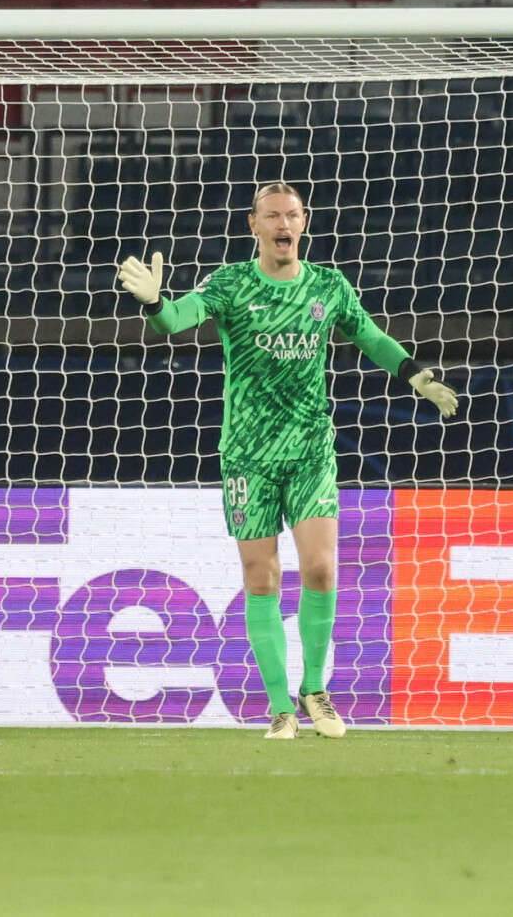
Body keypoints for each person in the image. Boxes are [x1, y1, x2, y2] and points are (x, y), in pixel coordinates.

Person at [116, 180, 461, 741]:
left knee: (322, 569)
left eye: (291, 215)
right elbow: (178, 320)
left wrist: (412, 372)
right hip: (247, 455)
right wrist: (156, 303)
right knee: (261, 578)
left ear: (304, 223)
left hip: (309, 450)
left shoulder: (327, 285)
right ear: (253, 225)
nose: (282, 224)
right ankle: (280, 708)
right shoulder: (230, 283)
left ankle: (315, 690)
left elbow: (369, 335)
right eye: (271, 215)